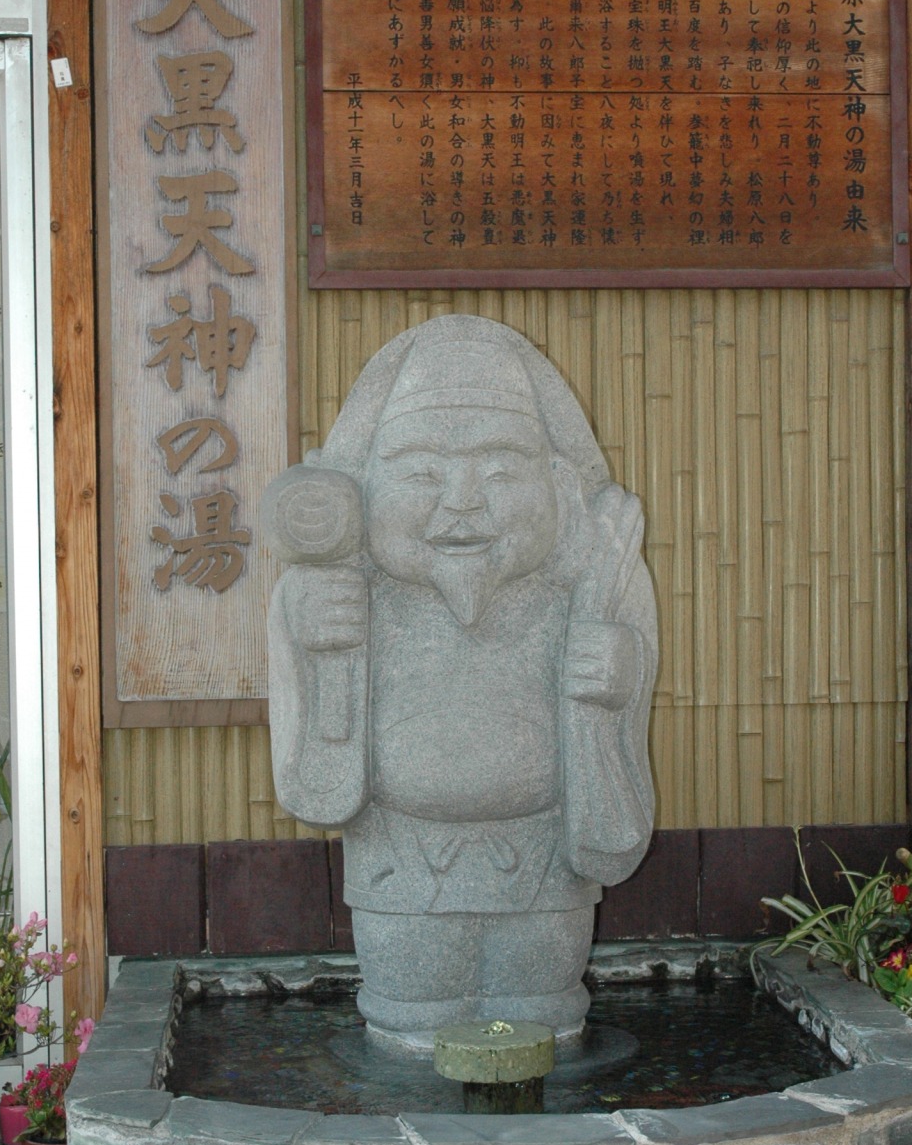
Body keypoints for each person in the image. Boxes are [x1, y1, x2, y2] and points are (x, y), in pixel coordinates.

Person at [265, 314, 657, 1046]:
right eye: (421, 473)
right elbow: (311, 785)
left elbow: (622, 724)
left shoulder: (592, 578)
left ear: (561, 489)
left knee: (543, 1017)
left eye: (502, 469)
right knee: (408, 1021)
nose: (463, 500)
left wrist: (615, 675)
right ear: (362, 490)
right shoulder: (339, 591)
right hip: (397, 869)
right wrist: (314, 648)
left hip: (546, 869)